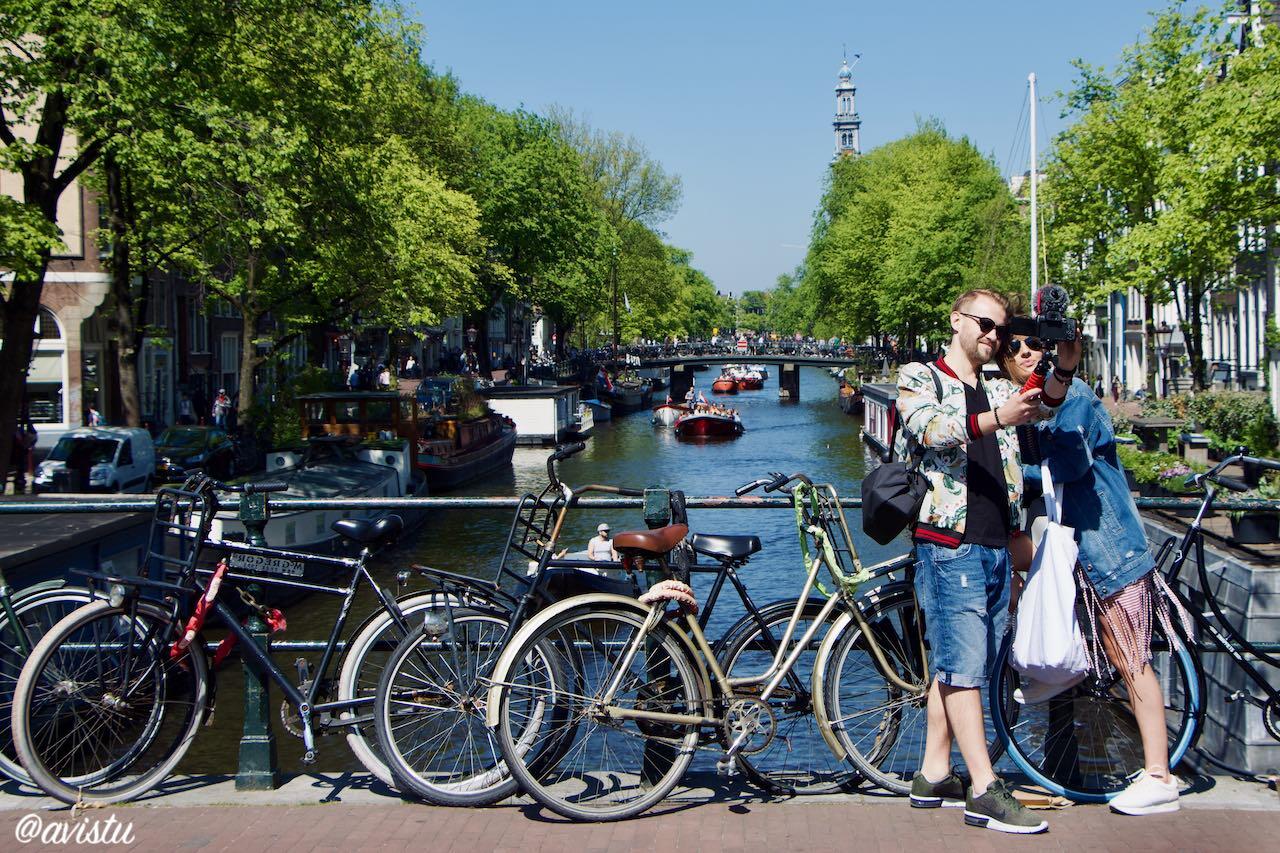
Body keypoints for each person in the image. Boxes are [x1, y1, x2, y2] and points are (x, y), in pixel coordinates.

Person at [895, 288, 1073, 835]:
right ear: (956, 321)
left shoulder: (1000, 383)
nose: (993, 335)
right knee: (963, 667)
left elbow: (1049, 402)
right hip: (951, 544)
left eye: (1000, 328)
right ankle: (982, 789)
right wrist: (997, 417)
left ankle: (931, 773)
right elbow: (927, 429)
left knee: (963, 661)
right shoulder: (920, 376)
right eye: (984, 324)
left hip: (996, 544)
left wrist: (1062, 363)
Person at [999, 330, 1188, 816]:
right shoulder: (1032, 403)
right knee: (1092, 648)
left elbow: (1069, 464)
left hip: (1110, 549)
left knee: (1131, 658)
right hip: (1080, 555)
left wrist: (1010, 459)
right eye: (1014, 347)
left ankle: (1159, 776)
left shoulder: (1073, 396)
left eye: (1034, 345)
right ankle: (1055, 714)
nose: (1026, 353)